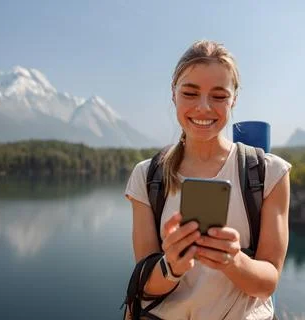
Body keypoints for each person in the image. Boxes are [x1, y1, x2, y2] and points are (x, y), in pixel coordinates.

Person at [124, 39, 292, 320]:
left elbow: (268, 282)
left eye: (218, 96)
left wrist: (233, 261)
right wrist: (171, 266)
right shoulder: (147, 175)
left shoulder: (268, 173)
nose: (203, 107)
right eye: (190, 93)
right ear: (173, 94)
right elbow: (146, 287)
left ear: (234, 99)